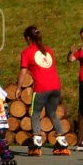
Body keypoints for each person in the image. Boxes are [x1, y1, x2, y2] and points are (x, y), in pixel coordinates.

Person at [19, 24, 70, 156]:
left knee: (35, 113)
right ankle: (62, 140)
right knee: (52, 113)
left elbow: (23, 71)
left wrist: (19, 87)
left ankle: (36, 140)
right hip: (56, 86)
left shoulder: (26, 52)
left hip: (41, 88)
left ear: (28, 38)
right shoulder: (48, 50)